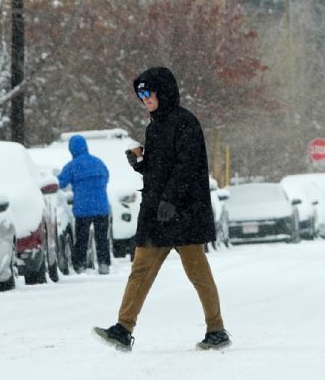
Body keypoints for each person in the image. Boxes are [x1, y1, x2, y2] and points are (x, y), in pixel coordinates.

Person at [94, 67, 230, 351]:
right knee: (140, 268)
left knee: (197, 271)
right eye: (140, 94)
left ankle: (216, 330)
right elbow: (159, 170)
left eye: (148, 92)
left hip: (184, 212)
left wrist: (170, 199)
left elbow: (187, 167)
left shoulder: (185, 123)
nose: (144, 99)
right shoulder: (154, 127)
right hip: (158, 213)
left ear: (163, 92)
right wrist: (141, 164)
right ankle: (123, 328)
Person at [58, 135, 111, 274]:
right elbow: (106, 177)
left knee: (82, 238)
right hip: (101, 207)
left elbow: (61, 183)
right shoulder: (98, 162)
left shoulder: (72, 166)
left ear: (72, 149)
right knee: (102, 238)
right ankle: (104, 264)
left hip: (83, 208)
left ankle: (79, 265)